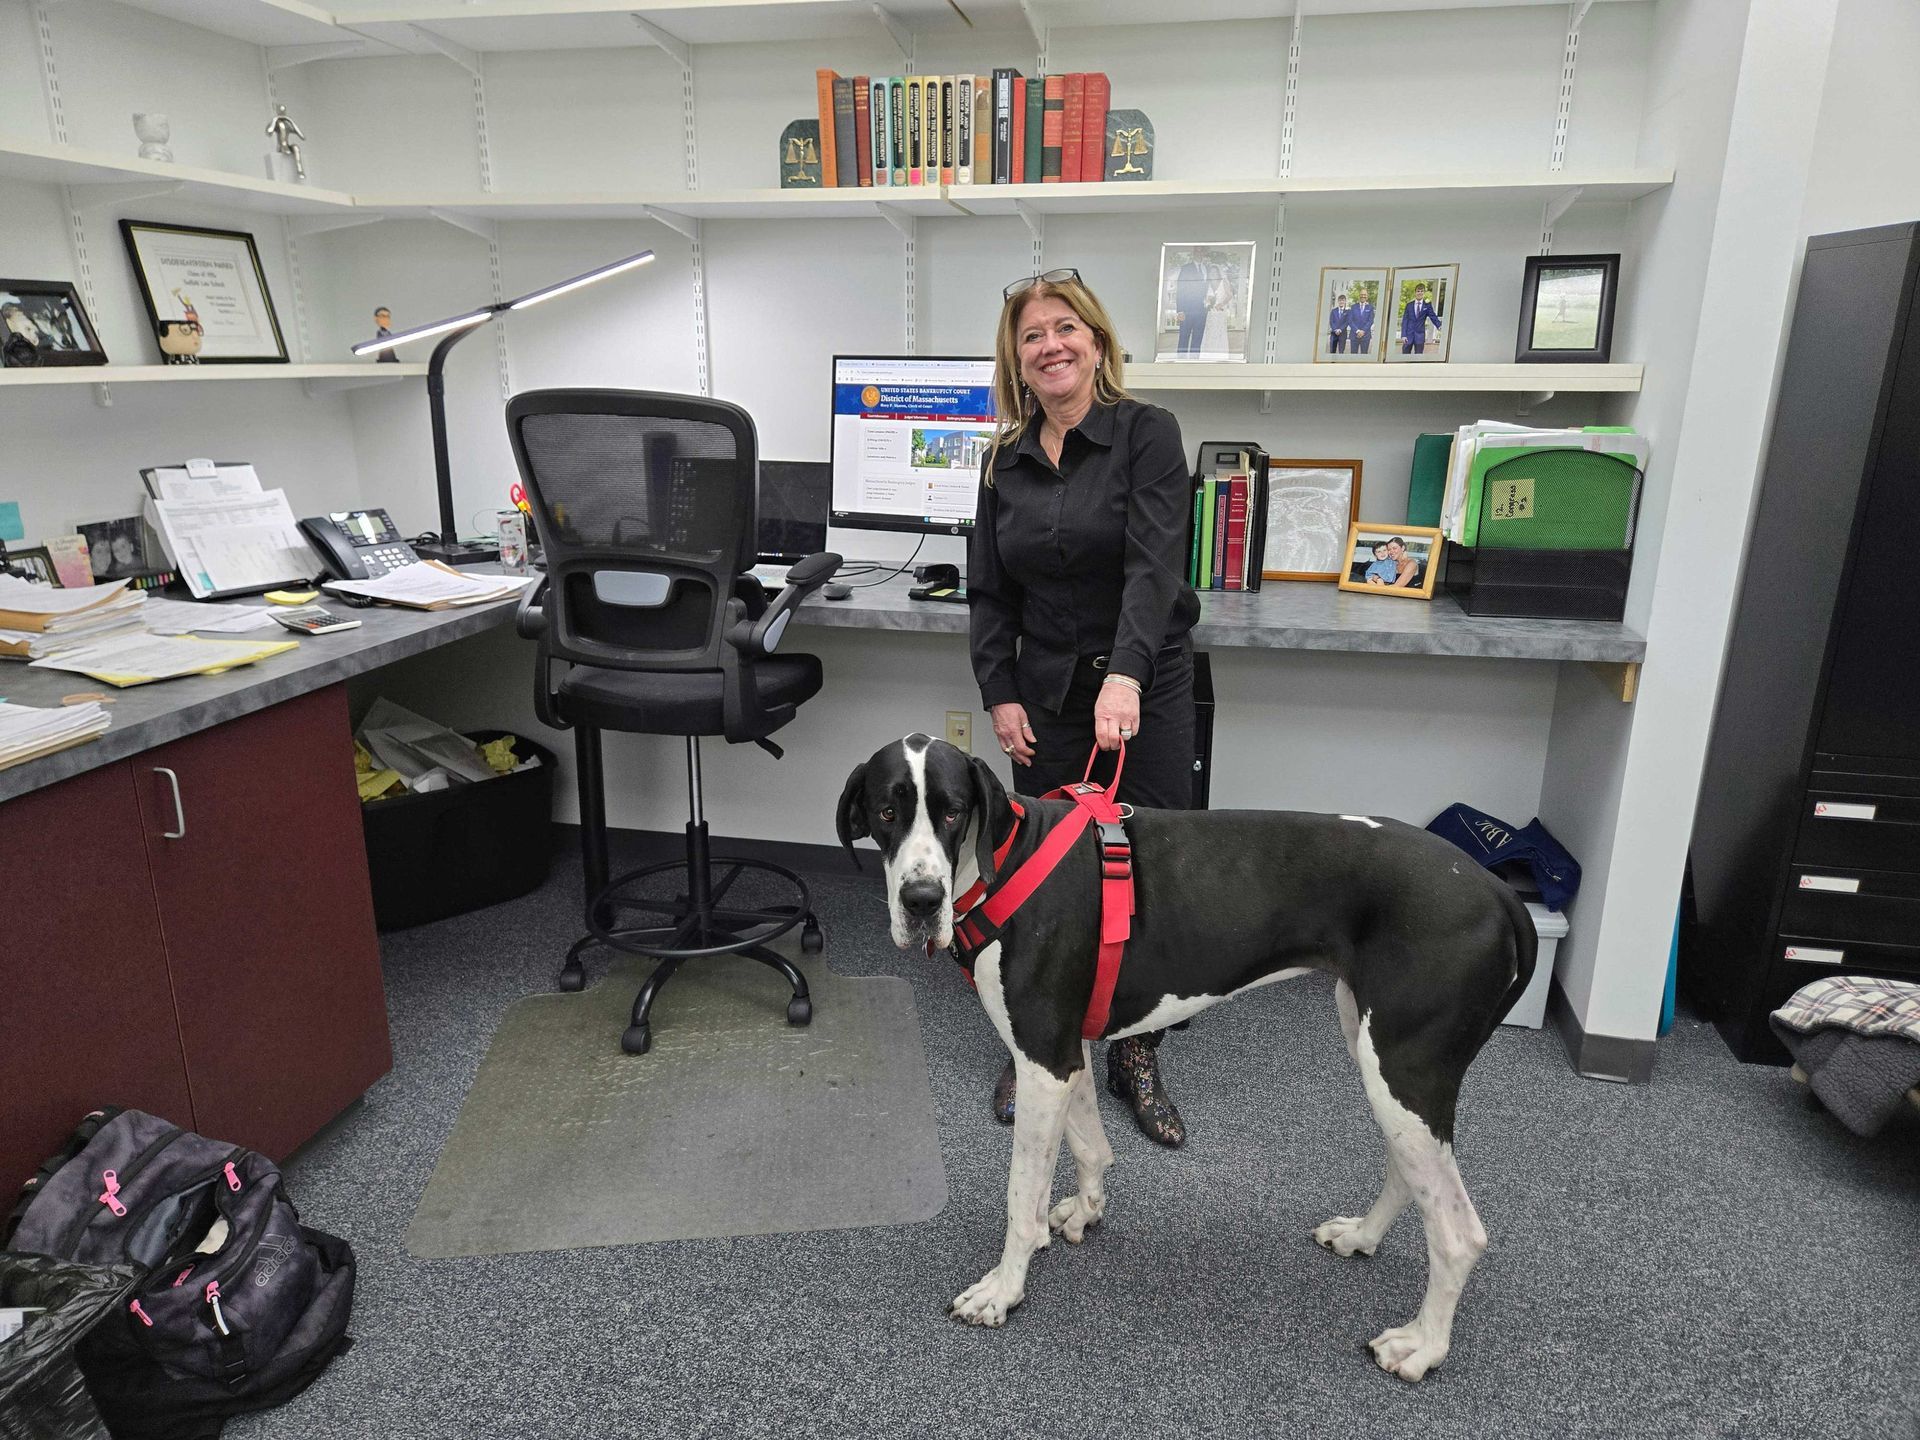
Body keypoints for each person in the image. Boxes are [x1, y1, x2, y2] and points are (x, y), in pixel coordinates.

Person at [969, 267, 1202, 1148]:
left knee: (1145, 866)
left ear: (1097, 342)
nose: (1051, 345)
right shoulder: (1002, 460)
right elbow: (988, 595)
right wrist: (999, 692)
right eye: (1032, 336)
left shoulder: (1148, 433)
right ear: (1017, 360)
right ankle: (1041, 1034)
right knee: (1037, 870)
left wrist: (1129, 674)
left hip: (1144, 681)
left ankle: (1135, 1050)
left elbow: (1153, 568)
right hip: (1047, 693)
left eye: (1066, 329)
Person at [1172, 250, 1209, 358]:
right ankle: (1180, 362)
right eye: (1197, 251)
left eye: (1201, 251)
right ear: (1194, 253)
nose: (1200, 253)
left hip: (1202, 310)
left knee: (1198, 338)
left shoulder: (1206, 268)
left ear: (1204, 253)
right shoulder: (1186, 268)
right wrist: (1180, 310)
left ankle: (1194, 362)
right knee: (1184, 337)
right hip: (1187, 310)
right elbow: (1181, 289)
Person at [1400, 281, 1443, 355]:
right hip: (1408, 336)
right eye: (1418, 291)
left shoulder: (1427, 306)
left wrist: (1439, 326)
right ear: (1415, 292)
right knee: (1405, 357)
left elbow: (1433, 316)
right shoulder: (1409, 305)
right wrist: (1403, 335)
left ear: (1424, 293)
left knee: (1418, 358)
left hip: (1419, 336)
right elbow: (1405, 321)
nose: (1419, 293)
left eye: (1421, 291)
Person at [1347, 285, 1375, 355]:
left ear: (1367, 296)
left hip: (1365, 336)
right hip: (1354, 335)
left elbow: (1370, 321)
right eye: (1362, 294)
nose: (1363, 296)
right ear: (1359, 296)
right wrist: (1357, 331)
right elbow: (1350, 321)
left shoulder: (1370, 307)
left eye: (1365, 295)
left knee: (1364, 355)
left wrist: (1363, 331)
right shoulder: (1353, 307)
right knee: (1353, 355)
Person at [1326, 289, 1350, 355]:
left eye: (1343, 300)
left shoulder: (1347, 312)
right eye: (1340, 300)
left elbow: (1347, 322)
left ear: (1345, 301)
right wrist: (1335, 329)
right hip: (1334, 334)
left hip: (1343, 334)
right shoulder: (1333, 311)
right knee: (1332, 351)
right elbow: (1331, 321)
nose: (1341, 302)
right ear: (1338, 301)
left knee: (1341, 352)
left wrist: (1340, 329)